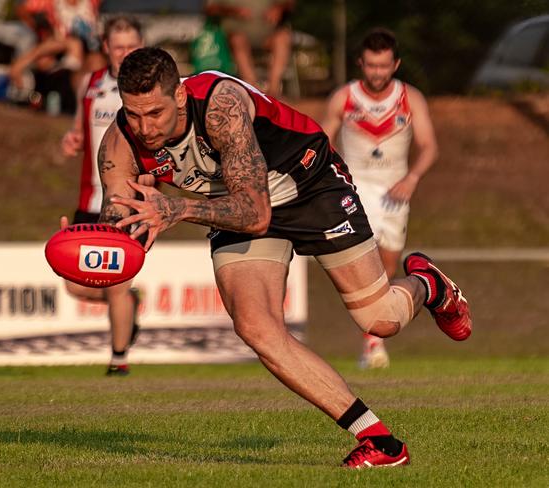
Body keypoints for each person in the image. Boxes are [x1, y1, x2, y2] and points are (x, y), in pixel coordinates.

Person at [96, 47, 472, 467]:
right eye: (133, 114)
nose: (145, 128)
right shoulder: (118, 144)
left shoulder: (221, 106)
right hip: (230, 202)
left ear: (180, 96)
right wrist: (92, 240)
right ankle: (380, 441)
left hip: (307, 185)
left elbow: (256, 213)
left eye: (155, 113)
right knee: (256, 327)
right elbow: (118, 219)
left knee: (380, 320)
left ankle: (429, 284)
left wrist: (179, 209)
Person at [320, 28, 439, 369]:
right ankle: (373, 345)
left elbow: (430, 146)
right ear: (361, 63)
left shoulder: (409, 98)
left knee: (388, 267)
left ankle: (373, 339)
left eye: (384, 66)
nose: (377, 72)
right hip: (354, 190)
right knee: (366, 266)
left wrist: (412, 178)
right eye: (371, 65)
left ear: (395, 64)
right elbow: (321, 142)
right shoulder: (344, 97)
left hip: (395, 192)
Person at [60, 15, 144, 376]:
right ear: (107, 48)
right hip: (89, 199)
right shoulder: (91, 84)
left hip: (126, 202)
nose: (125, 53)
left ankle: (118, 359)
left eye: (132, 46)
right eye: (119, 46)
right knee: (73, 284)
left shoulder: (150, 90)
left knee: (116, 284)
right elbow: (79, 131)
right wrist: (73, 139)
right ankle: (130, 305)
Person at [11, 0, 104, 95]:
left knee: (96, 61)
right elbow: (22, 9)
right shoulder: (50, 2)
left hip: (89, 53)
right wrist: (37, 28)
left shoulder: (92, 2)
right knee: (70, 45)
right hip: (60, 49)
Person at [204, 0, 294, 97]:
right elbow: (210, 9)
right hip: (235, 35)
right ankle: (253, 89)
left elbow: (289, 3)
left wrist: (279, 8)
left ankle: (274, 88)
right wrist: (233, 11)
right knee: (238, 40)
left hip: (268, 36)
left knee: (283, 37)